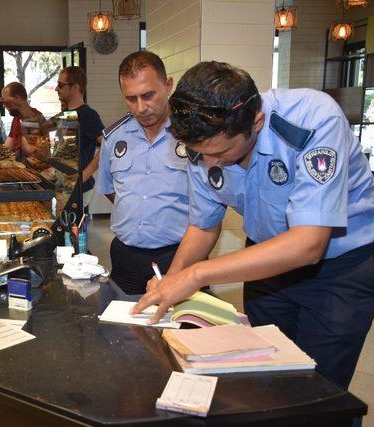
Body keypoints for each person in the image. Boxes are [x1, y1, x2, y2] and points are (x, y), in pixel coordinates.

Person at [133, 61, 374, 389]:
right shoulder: (203, 142)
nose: (208, 162)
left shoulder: (313, 120)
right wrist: (171, 281)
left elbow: (308, 244)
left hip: (340, 269)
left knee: (318, 388)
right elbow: (203, 225)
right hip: (265, 261)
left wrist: (197, 274)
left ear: (256, 122)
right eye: (199, 153)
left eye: (221, 152)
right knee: (262, 369)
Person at [96, 51, 190, 295]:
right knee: (122, 329)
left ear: (168, 85)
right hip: (126, 257)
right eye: (131, 98)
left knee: (181, 330)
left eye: (148, 95)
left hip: (179, 255)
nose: (141, 107)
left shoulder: (193, 135)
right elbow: (110, 190)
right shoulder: (113, 137)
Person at [55, 66, 104, 209]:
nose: (56, 89)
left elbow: (108, 144)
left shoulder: (88, 114)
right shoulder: (67, 113)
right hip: (63, 185)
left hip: (78, 188)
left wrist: (85, 174)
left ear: (75, 87)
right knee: (63, 229)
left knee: (72, 230)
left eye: (60, 85)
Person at [1, 81, 45, 156]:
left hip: (32, 166)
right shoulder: (17, 118)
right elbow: (8, 145)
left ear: (17, 98)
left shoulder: (35, 118)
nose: (4, 105)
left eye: (6, 101)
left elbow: (31, 152)